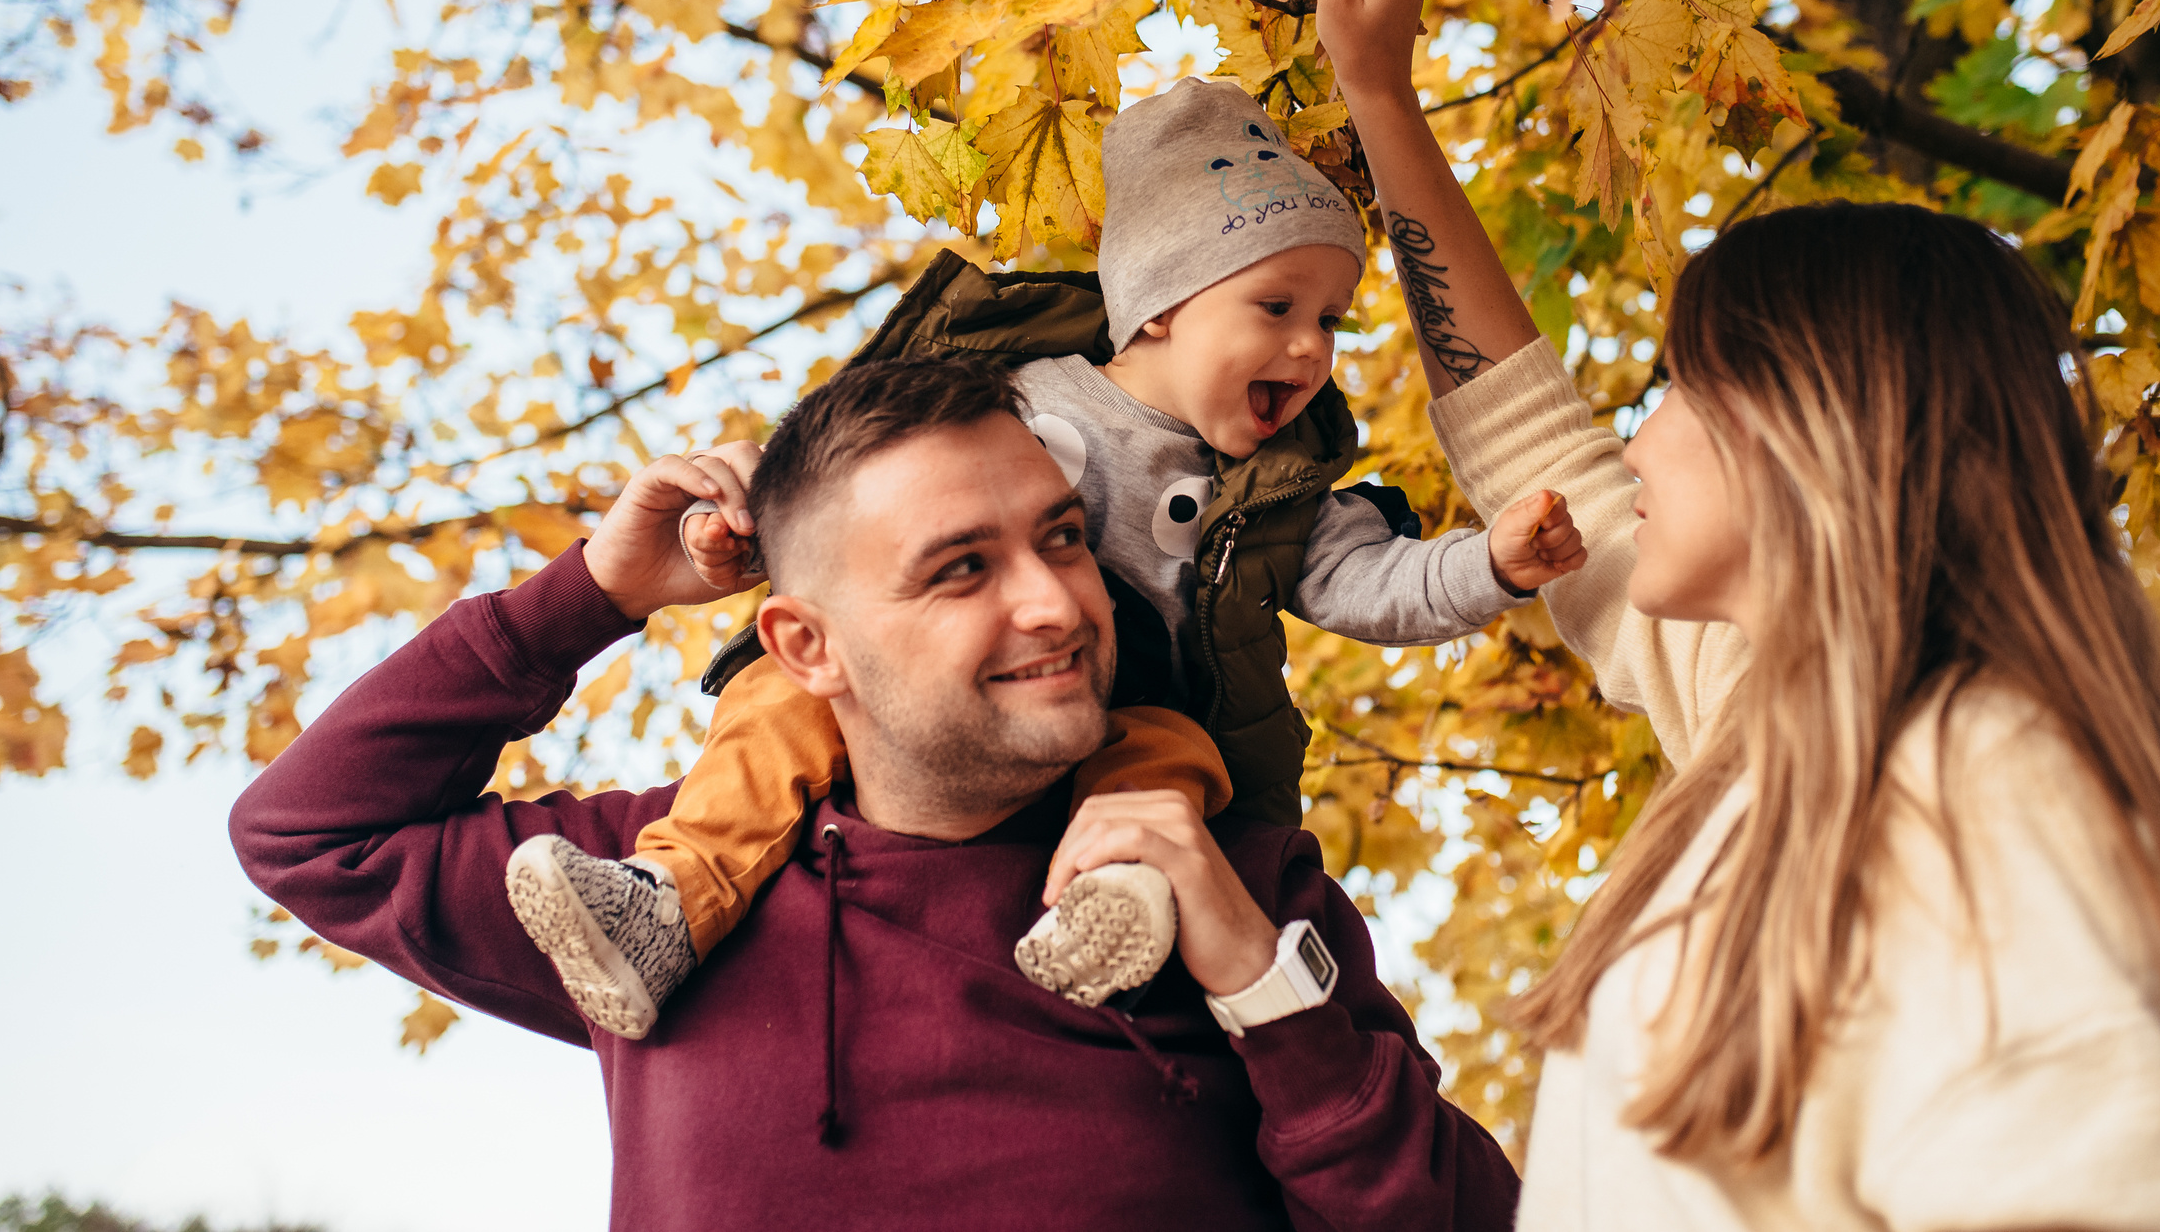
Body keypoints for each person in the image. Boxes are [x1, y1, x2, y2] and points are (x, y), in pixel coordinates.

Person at [1305, 0, 2160, 1231]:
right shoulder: (1788, 727)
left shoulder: (1964, 768)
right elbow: (1539, 459)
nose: (1641, 428)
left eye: (1681, 384)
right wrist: (1378, 97)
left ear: (1807, 431)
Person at [228, 357, 1523, 1230]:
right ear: (805, 646)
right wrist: (594, 592)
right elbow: (310, 830)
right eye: (961, 569)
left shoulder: (1235, 888)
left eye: (1061, 537)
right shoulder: (653, 896)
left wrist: (1259, 982)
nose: (1056, 602)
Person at [506, 77, 1584, 1039]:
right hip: (932, 689)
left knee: (1171, 762)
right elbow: (854, 503)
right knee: (774, 710)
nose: (1311, 346)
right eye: (1275, 307)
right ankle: (668, 900)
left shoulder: (1281, 490)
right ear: (1158, 306)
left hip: (1131, 701)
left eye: (1329, 318)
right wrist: (728, 532)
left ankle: (1109, 903)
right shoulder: (1009, 396)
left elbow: (1376, 584)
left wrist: (1489, 561)